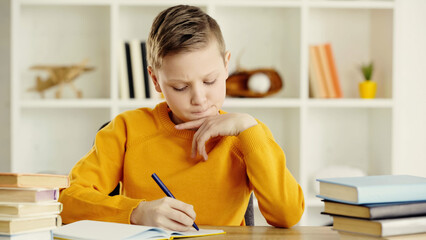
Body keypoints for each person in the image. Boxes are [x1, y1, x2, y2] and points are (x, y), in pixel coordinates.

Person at [59, 5, 304, 231]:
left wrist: (249, 129)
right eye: (180, 87)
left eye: (210, 81)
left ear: (226, 65)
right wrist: (136, 213)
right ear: (155, 80)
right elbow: (66, 201)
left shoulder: (248, 133)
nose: (199, 98)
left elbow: (288, 215)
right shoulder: (126, 130)